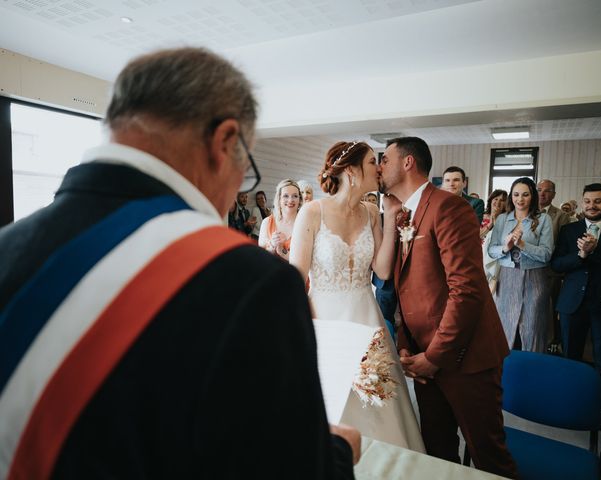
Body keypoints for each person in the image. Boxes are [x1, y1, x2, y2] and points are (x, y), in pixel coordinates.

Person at [0, 47, 359, 479]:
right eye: (245, 164)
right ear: (225, 141)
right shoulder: (251, 284)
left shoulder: (8, 246)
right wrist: (336, 450)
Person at [379, 136, 517, 478]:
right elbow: (405, 287)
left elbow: (467, 290)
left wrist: (434, 357)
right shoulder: (402, 213)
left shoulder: (447, 206)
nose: (380, 166)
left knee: (487, 457)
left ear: (408, 162)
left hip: (465, 357)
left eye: (385, 159)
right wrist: (408, 346)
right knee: (437, 452)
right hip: (425, 358)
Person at [290, 141, 425, 453]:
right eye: (370, 163)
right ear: (350, 171)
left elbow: (382, 270)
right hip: (323, 321)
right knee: (331, 405)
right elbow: (295, 281)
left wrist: (390, 219)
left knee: (377, 402)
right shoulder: (311, 213)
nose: (378, 168)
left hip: (366, 317)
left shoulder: (371, 213)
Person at [551, 183, 601, 440]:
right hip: (573, 303)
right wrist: (581, 255)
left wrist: (595, 252)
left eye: (597, 201)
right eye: (587, 201)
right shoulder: (569, 230)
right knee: (570, 358)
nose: (591, 206)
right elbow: (557, 263)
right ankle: (570, 405)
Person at [488, 177, 554, 352]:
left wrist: (523, 245)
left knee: (533, 328)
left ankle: (533, 370)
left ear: (532, 196)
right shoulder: (502, 219)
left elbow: (547, 254)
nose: (520, 199)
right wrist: (505, 247)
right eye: (516, 194)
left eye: (525, 194)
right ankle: (505, 369)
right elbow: (491, 250)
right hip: (507, 277)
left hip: (535, 278)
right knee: (506, 326)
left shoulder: (543, 219)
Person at [537, 179, 572, 353]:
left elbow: (563, 245)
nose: (542, 193)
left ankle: (551, 341)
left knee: (549, 308)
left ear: (554, 194)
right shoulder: (526, 212)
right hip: (527, 269)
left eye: (547, 191)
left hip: (550, 270)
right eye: (539, 189)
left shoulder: (561, 216)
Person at [258, 179, 301, 260]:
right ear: (279, 199)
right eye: (286, 196)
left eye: (295, 196)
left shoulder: (304, 223)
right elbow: (260, 258)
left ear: (299, 199)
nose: (290, 200)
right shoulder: (266, 222)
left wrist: (282, 251)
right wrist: (272, 246)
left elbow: (307, 259)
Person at [480, 189, 508, 294]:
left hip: (495, 259)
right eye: (496, 199)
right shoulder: (481, 216)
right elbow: (476, 236)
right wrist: (490, 224)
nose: (498, 202)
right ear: (491, 200)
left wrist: (497, 221)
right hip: (479, 255)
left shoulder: (507, 219)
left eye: (502, 200)